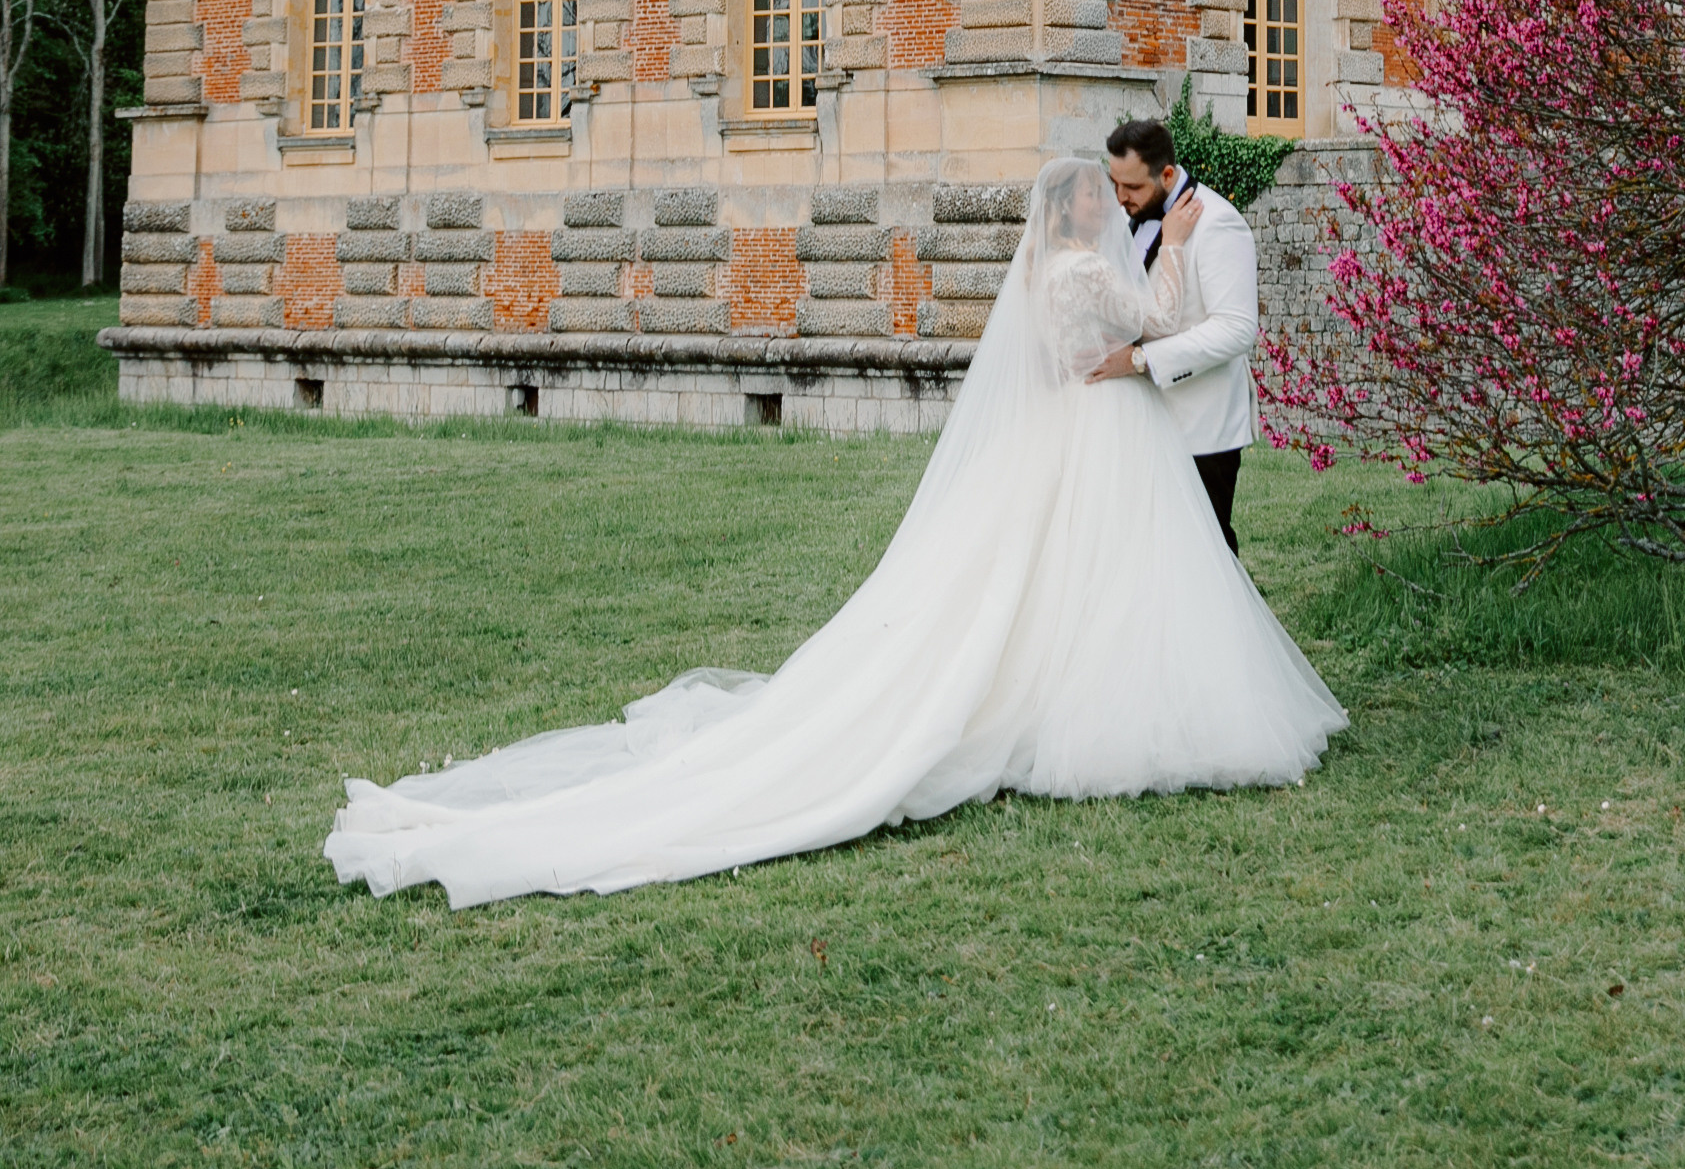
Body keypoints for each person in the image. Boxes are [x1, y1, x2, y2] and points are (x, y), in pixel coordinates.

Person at [324, 158, 1345, 909]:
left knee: (1065, 579)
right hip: (1106, 429)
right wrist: (1171, 242)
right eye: (1099, 197)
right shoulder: (1088, 271)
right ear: (1077, 211)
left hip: (1076, 430)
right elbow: (1160, 317)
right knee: (1109, 574)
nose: (1109, 204)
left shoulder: (1045, 275)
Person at [1102, 116, 1258, 554]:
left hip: (1201, 426)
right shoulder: (1128, 214)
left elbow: (1236, 329)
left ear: (1166, 174)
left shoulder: (1219, 224)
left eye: (1131, 187)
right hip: (1144, 422)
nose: (1120, 197)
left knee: (1205, 554)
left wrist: (1141, 361)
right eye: (1114, 183)